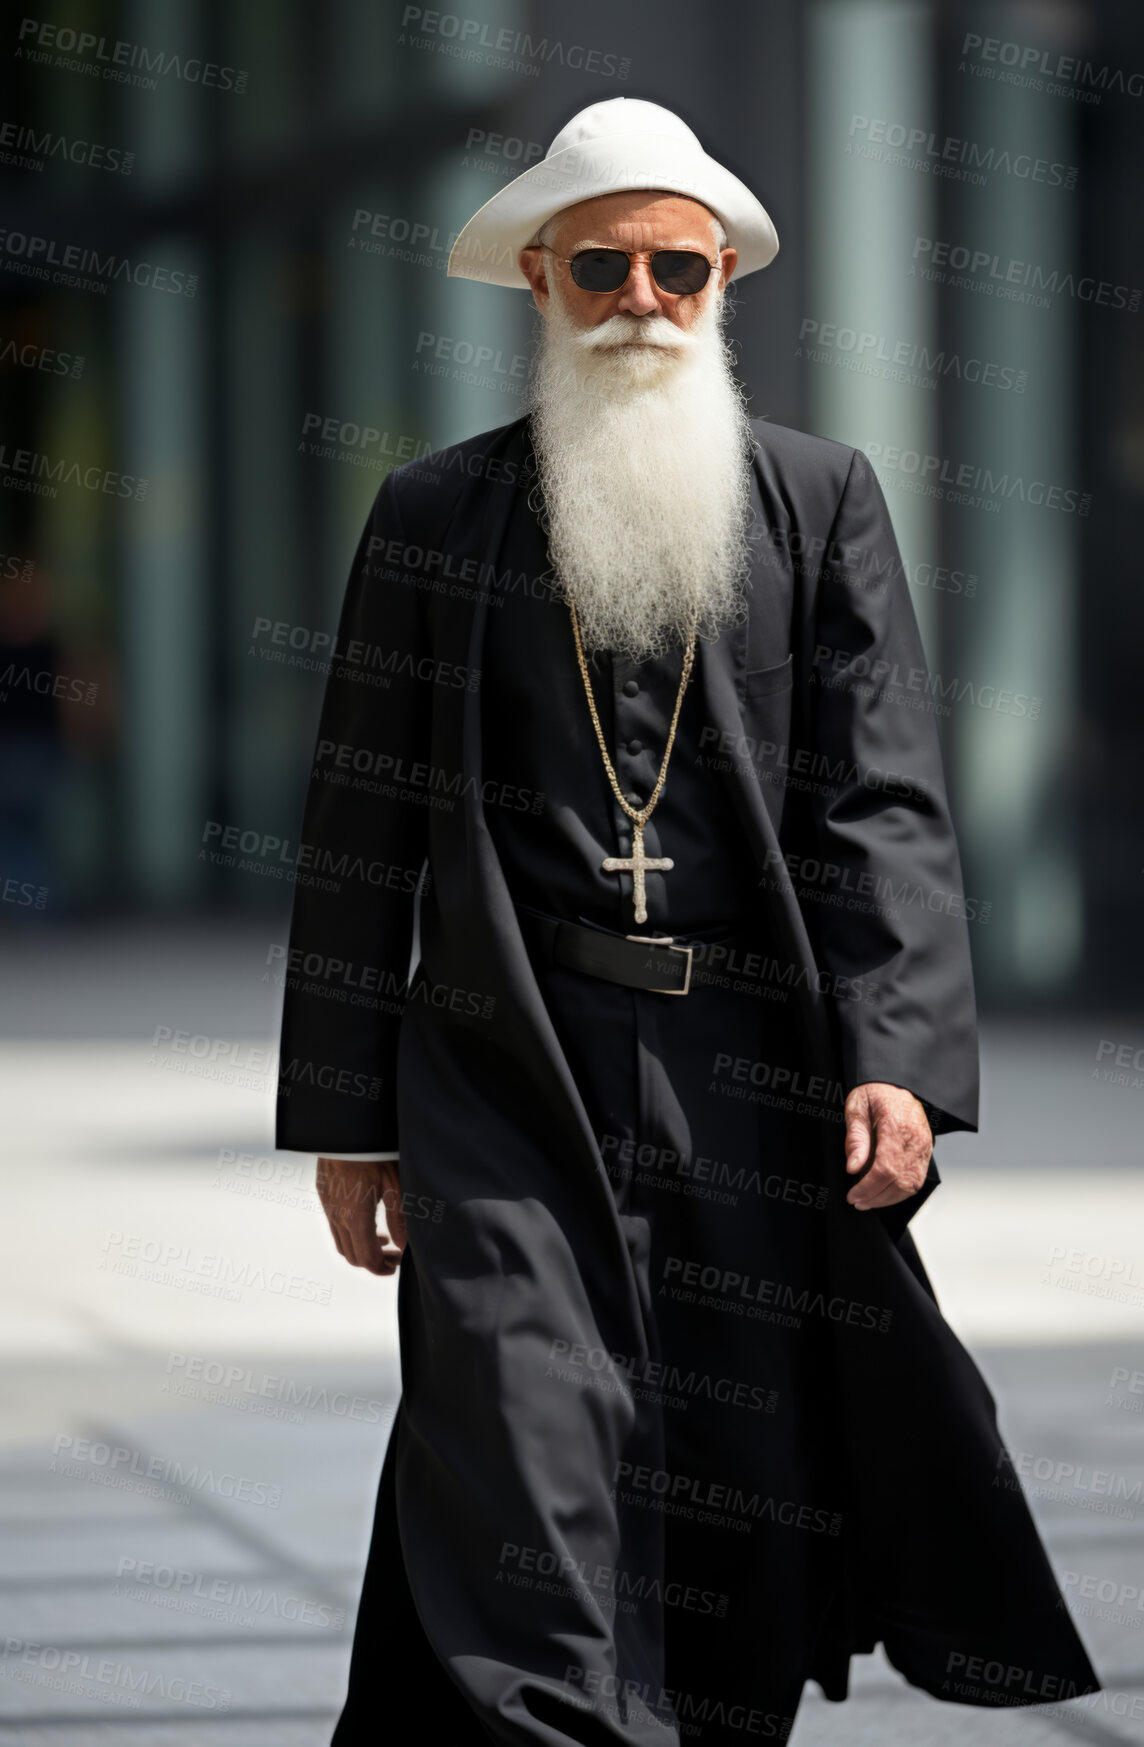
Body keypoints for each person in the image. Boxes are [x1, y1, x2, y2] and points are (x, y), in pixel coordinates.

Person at [276, 96, 1099, 1745]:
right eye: (602, 268)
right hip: (510, 1064)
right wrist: (350, 1119)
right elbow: (362, 836)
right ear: (540, 281)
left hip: (751, 1063)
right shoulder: (435, 516)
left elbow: (884, 803)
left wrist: (899, 1057)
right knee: (514, 1415)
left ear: (722, 282)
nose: (641, 300)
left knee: (741, 1457)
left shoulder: (818, 499)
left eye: (678, 269)